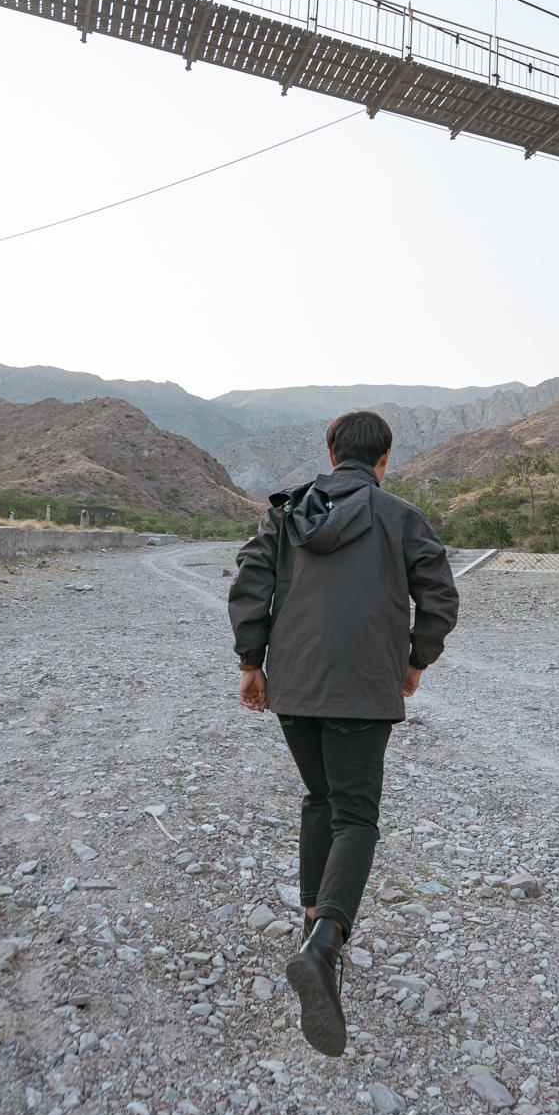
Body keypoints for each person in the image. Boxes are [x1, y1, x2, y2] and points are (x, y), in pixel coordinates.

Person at [227, 411, 459, 1056]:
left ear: (330, 453)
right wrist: (415, 660)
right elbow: (439, 597)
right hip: (363, 685)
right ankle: (325, 946)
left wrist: (253, 663)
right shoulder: (402, 517)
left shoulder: (285, 515)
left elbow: (251, 585)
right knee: (355, 814)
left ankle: (310, 924)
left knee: (319, 800)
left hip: (295, 684)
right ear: (385, 458)